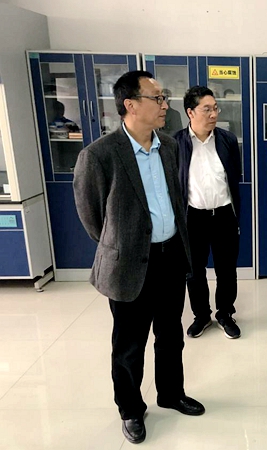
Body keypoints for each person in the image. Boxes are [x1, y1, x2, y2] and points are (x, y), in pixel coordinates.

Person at [73, 70, 204, 445]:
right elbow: (92, 217)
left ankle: (171, 393)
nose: (165, 105)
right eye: (157, 98)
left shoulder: (169, 146)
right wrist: (122, 244)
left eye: (164, 97)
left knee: (170, 334)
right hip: (130, 263)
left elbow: (175, 199)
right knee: (129, 345)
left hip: (170, 256)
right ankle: (131, 409)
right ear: (130, 105)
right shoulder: (99, 155)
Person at [173, 86, 242, 340]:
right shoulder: (175, 143)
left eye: (215, 108)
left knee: (227, 269)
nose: (214, 114)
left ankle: (225, 313)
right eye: (207, 109)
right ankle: (201, 315)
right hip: (193, 217)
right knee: (194, 270)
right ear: (190, 112)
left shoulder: (227, 140)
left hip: (224, 214)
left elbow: (234, 176)